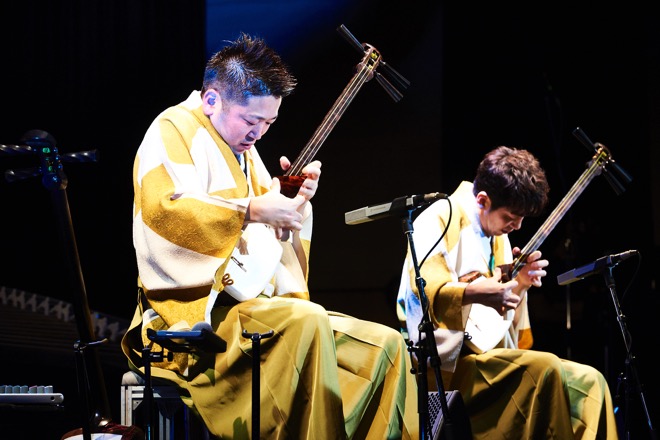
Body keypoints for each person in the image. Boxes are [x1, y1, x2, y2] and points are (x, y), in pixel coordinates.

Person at [120, 33, 417, 439]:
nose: (258, 133)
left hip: (251, 307)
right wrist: (253, 209)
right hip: (194, 313)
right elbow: (165, 211)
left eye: (268, 123)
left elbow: (266, 237)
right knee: (308, 321)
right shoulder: (173, 127)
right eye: (250, 120)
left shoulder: (243, 150)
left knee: (385, 345)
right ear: (212, 99)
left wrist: (295, 204)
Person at [396, 146, 619, 438]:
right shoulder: (439, 217)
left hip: (489, 354)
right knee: (546, 368)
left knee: (590, 381)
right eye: (511, 217)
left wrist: (521, 284)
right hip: (449, 366)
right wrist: (475, 293)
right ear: (482, 200)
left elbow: (496, 319)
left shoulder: (497, 234)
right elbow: (424, 291)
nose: (517, 226)